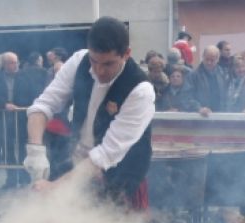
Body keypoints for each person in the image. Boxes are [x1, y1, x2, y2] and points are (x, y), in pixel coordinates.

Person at [24, 16, 155, 209]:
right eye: (94, 61)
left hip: (120, 173)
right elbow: (44, 105)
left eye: (108, 64)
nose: (99, 71)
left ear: (126, 53)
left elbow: (105, 155)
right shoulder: (79, 61)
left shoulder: (140, 91)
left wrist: (54, 187)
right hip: (79, 164)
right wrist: (35, 151)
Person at [0, 52, 28, 188]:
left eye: (16, 62)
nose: (15, 65)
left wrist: (19, 106)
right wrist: (4, 104)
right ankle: (11, 179)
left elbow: (31, 93)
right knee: (7, 148)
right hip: (3, 117)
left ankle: (24, 177)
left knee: (23, 147)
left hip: (21, 116)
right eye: (11, 62)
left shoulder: (24, 75)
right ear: (4, 64)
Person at [189, 46, 229, 117]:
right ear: (203, 57)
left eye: (212, 60)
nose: (209, 62)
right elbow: (188, 96)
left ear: (217, 59)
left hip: (220, 117)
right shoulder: (193, 75)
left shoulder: (223, 74)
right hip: (201, 118)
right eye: (206, 59)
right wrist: (199, 108)